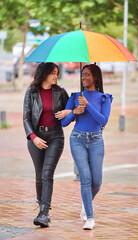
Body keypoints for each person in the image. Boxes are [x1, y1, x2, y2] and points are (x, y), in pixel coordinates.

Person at [55, 64, 112, 230]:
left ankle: (85, 205)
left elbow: (103, 121)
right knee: (85, 179)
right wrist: (74, 112)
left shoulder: (104, 98)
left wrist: (87, 105)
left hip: (96, 141)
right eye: (82, 75)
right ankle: (90, 217)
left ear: (95, 77)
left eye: (87, 75)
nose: (84, 78)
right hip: (77, 139)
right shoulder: (75, 97)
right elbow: (64, 123)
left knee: (97, 182)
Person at [23, 62, 70, 228]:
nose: (56, 76)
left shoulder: (61, 92)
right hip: (36, 137)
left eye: (57, 73)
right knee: (39, 175)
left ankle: (43, 213)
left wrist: (69, 111)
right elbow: (26, 118)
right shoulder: (31, 92)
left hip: (55, 136)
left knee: (47, 173)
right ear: (44, 74)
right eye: (53, 73)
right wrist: (34, 137)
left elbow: (71, 112)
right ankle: (44, 210)